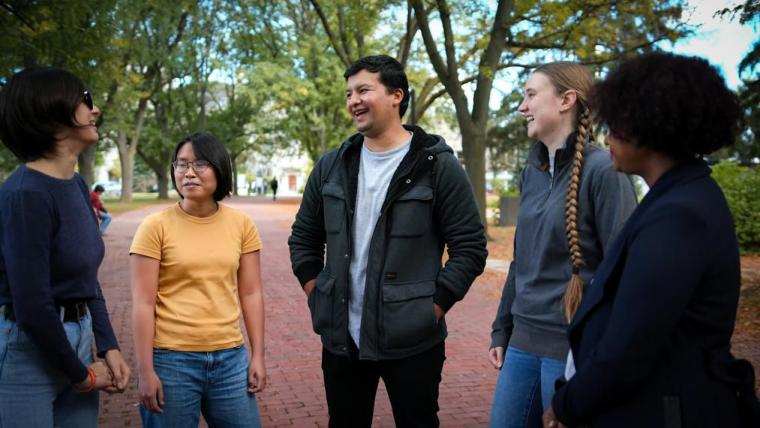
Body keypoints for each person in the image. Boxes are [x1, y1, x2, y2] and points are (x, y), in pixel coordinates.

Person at [544, 52, 759, 428]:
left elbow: (631, 343)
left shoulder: (679, 215)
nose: (606, 136)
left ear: (651, 125)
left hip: (665, 409)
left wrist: (567, 405)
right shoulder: (679, 197)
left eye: (615, 124)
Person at [288, 54, 488, 427]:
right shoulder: (332, 166)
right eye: (348, 93)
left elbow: (470, 247)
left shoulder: (436, 165)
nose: (353, 101)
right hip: (342, 337)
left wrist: (433, 308)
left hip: (413, 340)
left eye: (364, 90)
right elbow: (303, 239)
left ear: (396, 95)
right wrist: (318, 294)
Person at [488, 62, 637, 428]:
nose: (523, 107)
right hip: (522, 341)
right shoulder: (532, 172)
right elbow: (521, 259)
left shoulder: (605, 172)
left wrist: (603, 357)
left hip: (572, 349)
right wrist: (502, 327)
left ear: (567, 100)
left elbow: (624, 273)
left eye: (531, 95)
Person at [0, 67, 130, 427]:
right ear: (50, 111)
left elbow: (85, 278)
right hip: (28, 350)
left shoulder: (75, 185)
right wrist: (81, 374)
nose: (95, 110)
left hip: (77, 338)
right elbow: (31, 305)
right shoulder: (26, 195)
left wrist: (108, 346)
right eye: (85, 100)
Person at [130, 132, 266, 427]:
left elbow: (252, 293)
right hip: (171, 361)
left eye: (200, 164)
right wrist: (145, 371)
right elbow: (142, 303)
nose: (188, 172)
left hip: (230, 359)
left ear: (220, 168)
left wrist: (257, 355)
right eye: (181, 164)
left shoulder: (242, 225)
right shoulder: (154, 227)